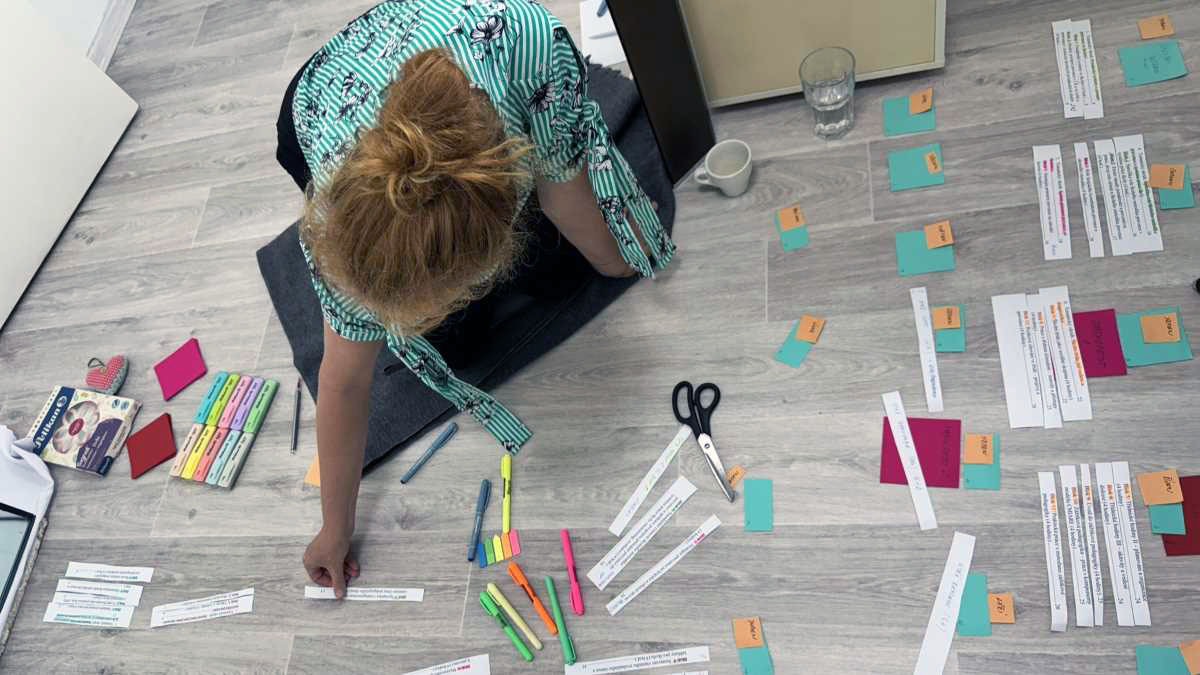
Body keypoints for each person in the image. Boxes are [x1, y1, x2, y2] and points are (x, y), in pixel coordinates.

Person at [274, 0, 675, 597]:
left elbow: (563, 192)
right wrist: (335, 528)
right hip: (318, 98)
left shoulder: (531, 49)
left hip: (450, 46)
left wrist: (614, 262)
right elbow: (345, 383)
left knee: (562, 273)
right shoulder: (336, 229)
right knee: (459, 347)